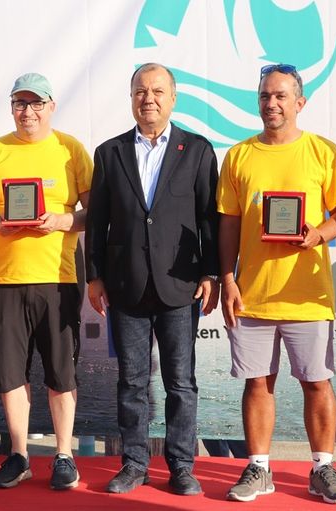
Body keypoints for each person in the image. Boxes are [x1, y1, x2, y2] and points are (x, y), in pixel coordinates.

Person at [217, 63, 336, 504]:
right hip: (253, 294)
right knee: (257, 383)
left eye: (280, 96)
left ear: (300, 102)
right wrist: (227, 278)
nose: (271, 104)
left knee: (317, 383)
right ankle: (259, 468)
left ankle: (323, 468)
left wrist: (319, 234)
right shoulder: (239, 155)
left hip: (308, 295)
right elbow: (228, 223)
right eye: (264, 96)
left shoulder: (323, 151)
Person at [85, 62, 219, 496]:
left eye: (158, 91)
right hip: (125, 285)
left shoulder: (197, 150)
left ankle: (181, 465)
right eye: (141, 91)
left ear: (173, 98)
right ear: (131, 98)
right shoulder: (109, 153)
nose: (149, 99)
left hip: (180, 286)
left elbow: (208, 218)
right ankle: (134, 464)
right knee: (132, 382)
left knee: (181, 383)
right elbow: (98, 220)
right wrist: (94, 276)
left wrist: (211, 272)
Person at [0, 72, 92, 491]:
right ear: (12, 108)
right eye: (20, 103)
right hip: (6, 280)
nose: (28, 111)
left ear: (51, 106)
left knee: (61, 372)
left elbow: (94, 212)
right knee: (10, 371)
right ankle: (19, 455)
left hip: (59, 278)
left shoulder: (71, 149)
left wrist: (62, 220)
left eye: (36, 103)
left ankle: (64, 455)